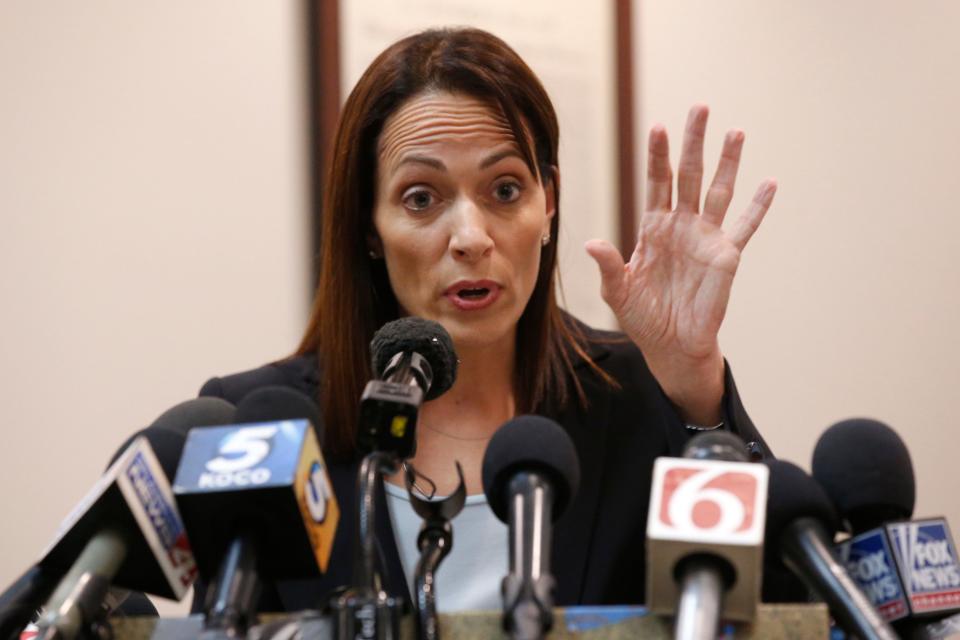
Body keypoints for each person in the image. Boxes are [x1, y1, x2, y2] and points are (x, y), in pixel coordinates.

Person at [197, 27, 776, 612]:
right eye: (421, 198)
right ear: (369, 226)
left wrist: (695, 387)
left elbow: (787, 607)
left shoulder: (638, 394)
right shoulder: (263, 433)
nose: (471, 239)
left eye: (504, 189)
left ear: (547, 201)